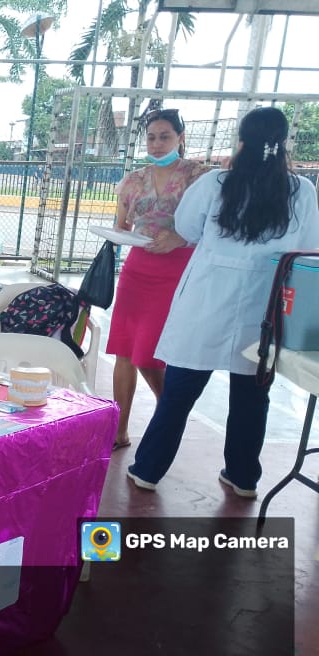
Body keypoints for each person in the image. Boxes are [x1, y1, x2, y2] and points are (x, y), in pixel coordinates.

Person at [127, 106, 319, 496]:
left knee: (179, 392)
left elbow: (186, 227)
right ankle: (243, 476)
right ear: (283, 143)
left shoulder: (216, 183)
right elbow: (308, 246)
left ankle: (148, 469)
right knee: (252, 395)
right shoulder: (301, 191)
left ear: (241, 141)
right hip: (262, 307)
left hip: (206, 302)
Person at [106, 108, 209, 450]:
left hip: (177, 270)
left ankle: (170, 415)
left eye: (165, 136)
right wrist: (118, 235)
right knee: (124, 350)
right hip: (137, 268)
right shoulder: (133, 180)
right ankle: (118, 431)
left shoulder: (200, 177)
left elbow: (215, 224)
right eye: (151, 137)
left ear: (180, 137)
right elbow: (121, 224)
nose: (157, 144)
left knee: (148, 353)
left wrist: (179, 238)